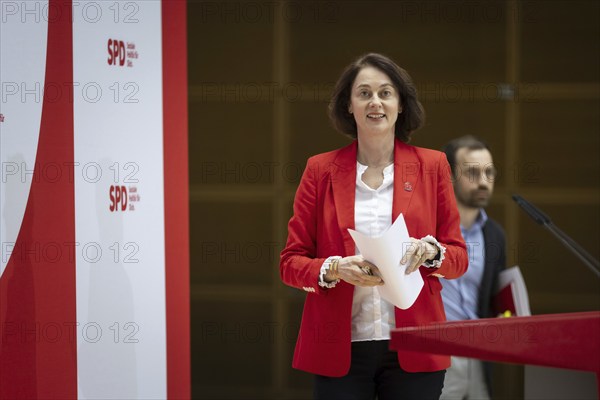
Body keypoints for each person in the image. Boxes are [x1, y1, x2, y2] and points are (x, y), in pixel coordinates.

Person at [279, 53, 468, 400]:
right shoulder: (320, 170)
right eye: (363, 93)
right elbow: (291, 264)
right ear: (349, 105)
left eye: (385, 93)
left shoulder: (432, 165)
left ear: (400, 104)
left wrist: (430, 252)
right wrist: (335, 267)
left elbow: (459, 258)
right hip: (342, 348)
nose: (375, 102)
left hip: (416, 345)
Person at [439, 136, 507, 400]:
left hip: (479, 354)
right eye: (472, 172)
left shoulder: (494, 235)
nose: (482, 181)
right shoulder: (424, 228)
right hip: (435, 352)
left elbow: (495, 299)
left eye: (489, 172)